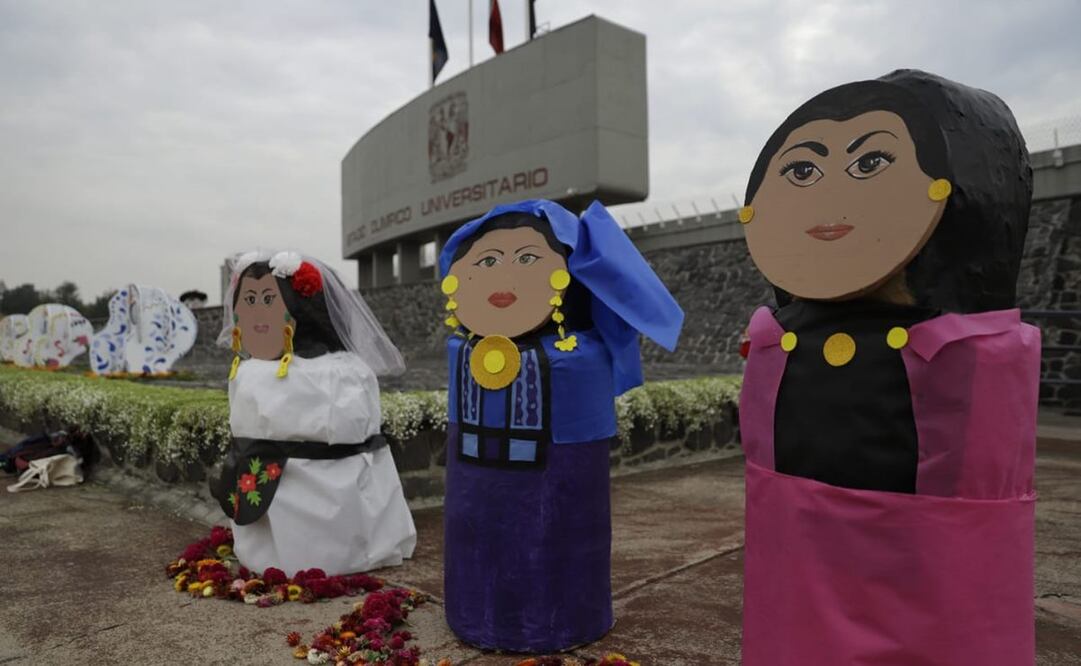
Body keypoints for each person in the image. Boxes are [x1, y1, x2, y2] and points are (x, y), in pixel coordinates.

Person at [738, 69, 1039, 665]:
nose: (830, 196)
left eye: (871, 163)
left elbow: (975, 491)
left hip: (926, 577)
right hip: (794, 562)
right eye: (802, 171)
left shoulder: (971, 348)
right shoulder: (776, 337)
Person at [438, 199, 684, 652]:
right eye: (486, 262)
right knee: (475, 530)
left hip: (560, 485)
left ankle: (560, 618)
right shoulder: (463, 350)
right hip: (475, 483)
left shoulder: (580, 354)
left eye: (528, 258)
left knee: (560, 529)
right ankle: (473, 610)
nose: (504, 277)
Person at [211, 250, 415, 576]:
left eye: (268, 298)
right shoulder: (255, 372)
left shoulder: (338, 373)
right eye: (248, 299)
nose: (257, 312)